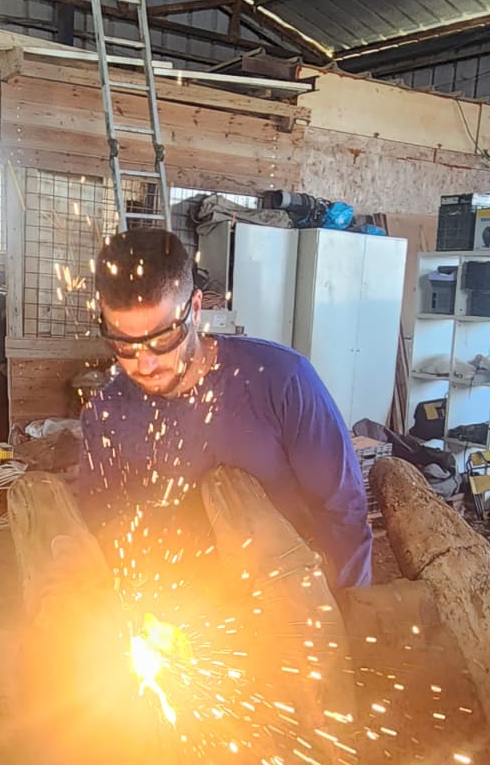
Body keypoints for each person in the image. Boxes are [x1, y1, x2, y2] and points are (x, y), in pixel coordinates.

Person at [78, 227, 371, 589]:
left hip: (291, 593)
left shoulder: (280, 379)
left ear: (195, 309)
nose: (145, 364)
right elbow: (105, 526)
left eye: (163, 338)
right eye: (124, 344)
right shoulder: (106, 415)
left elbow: (343, 510)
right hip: (185, 606)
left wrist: (340, 606)